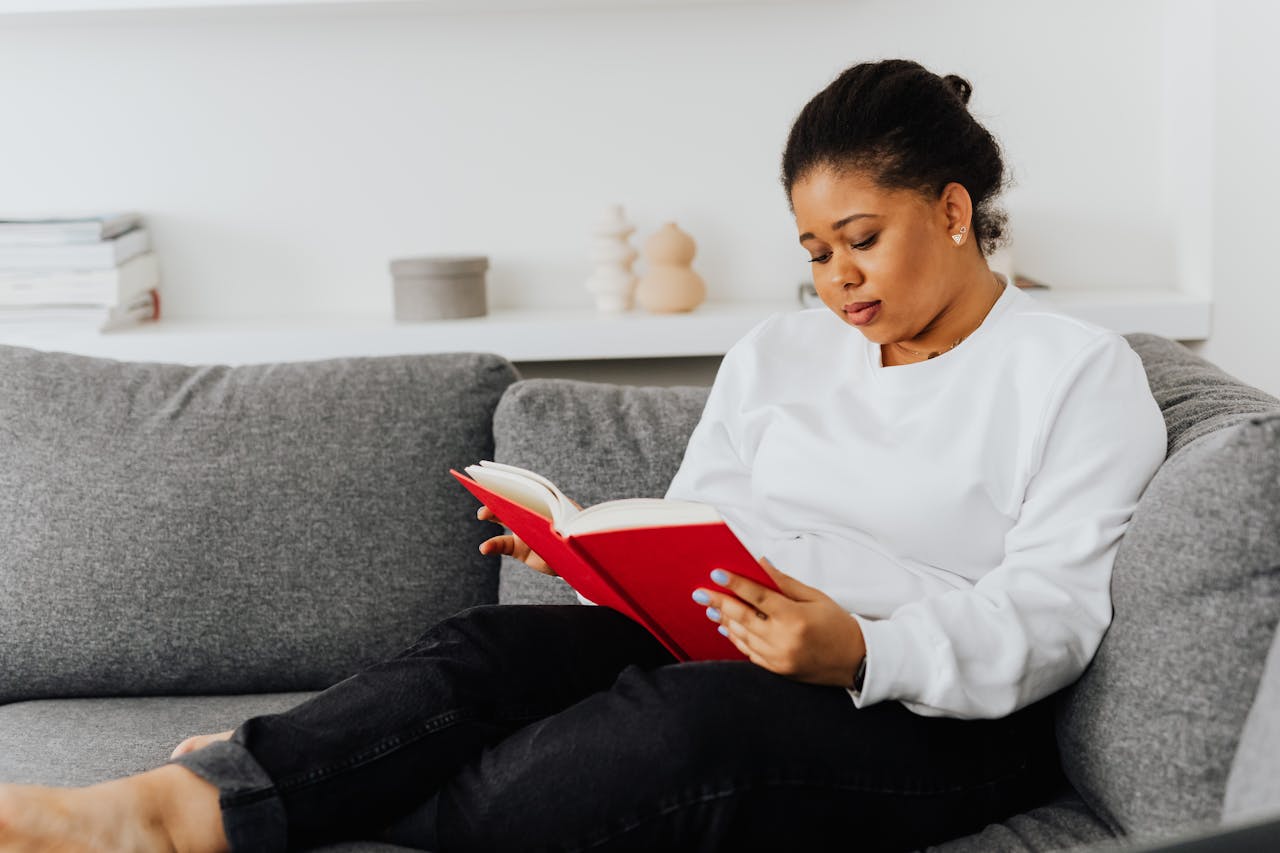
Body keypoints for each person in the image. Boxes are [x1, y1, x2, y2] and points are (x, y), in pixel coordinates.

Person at [0, 58, 1166, 852]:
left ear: (953, 211)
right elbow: (704, 522)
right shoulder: (780, 354)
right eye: (813, 250)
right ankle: (169, 803)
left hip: (934, 716)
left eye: (860, 240)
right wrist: (602, 560)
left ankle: (287, 788)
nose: (835, 279)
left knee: (674, 736)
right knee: (486, 647)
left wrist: (863, 644)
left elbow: (1053, 615)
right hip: (737, 649)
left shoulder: (1071, 370)